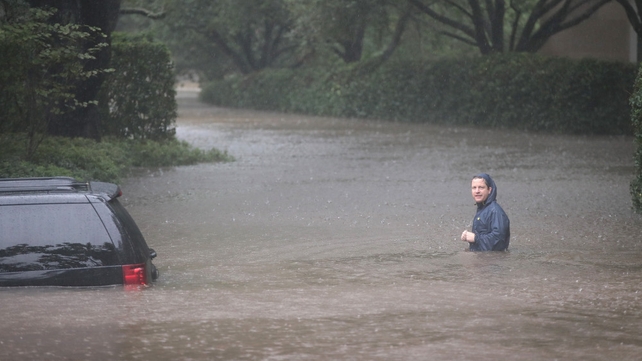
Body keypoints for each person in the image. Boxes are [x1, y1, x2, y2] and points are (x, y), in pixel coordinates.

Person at [460, 173, 510, 251]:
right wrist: (468, 237)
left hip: (493, 261)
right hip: (482, 259)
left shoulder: (495, 211)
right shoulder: (482, 209)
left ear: (489, 190)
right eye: (474, 188)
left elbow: (499, 241)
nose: (477, 191)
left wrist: (475, 238)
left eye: (481, 187)